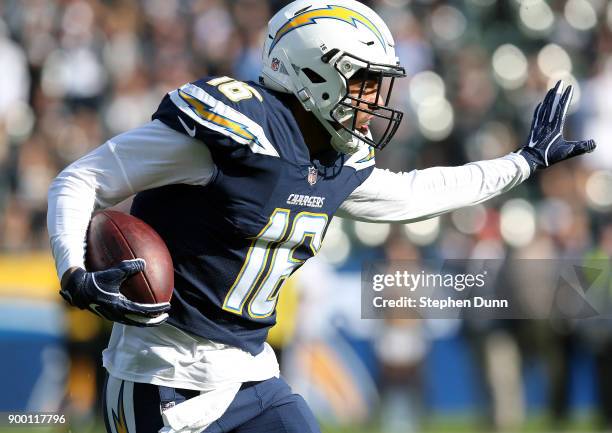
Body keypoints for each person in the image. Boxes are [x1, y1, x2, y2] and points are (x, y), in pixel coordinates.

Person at [46, 0, 596, 432]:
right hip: (161, 376)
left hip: (252, 375)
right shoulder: (234, 131)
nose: (374, 99)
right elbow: (82, 178)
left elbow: (415, 194)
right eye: (363, 81)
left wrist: (521, 164)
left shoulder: (337, 159)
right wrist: (73, 272)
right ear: (313, 72)